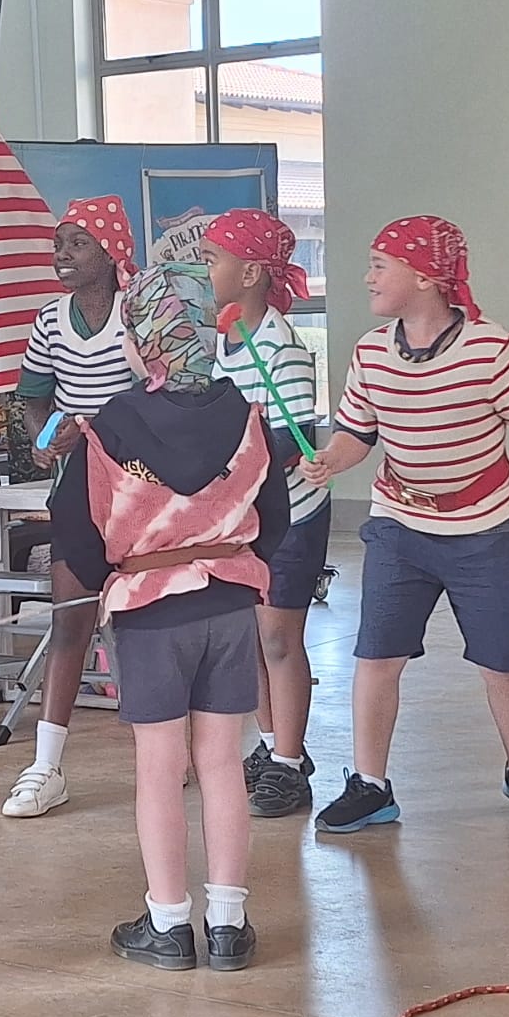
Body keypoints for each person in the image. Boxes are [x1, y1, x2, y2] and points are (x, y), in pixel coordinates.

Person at [54, 263, 289, 970]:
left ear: (143, 338)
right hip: (230, 603)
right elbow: (275, 517)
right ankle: (228, 924)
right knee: (221, 762)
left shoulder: (113, 424)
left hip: (151, 609)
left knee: (159, 767)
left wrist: (112, 575)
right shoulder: (246, 416)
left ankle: (167, 923)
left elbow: (76, 526)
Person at [302, 216, 509, 829]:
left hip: (484, 529)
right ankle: (370, 783)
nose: (367, 277)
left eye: (379, 266)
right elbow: (358, 433)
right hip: (398, 525)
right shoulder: (371, 351)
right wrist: (331, 459)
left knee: (502, 659)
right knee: (376, 656)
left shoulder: (492, 348)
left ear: (425, 277)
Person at [3, 197, 136, 818]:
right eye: (59, 244)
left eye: (77, 244)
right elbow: (34, 396)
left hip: (139, 486)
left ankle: (169, 750)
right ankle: (45, 766)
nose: (61, 255)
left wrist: (99, 434)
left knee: (143, 623)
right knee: (70, 618)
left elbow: (162, 394)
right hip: (76, 487)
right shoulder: (50, 321)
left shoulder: (140, 313)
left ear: (111, 254)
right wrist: (44, 439)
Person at [201, 208, 329, 818]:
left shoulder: (283, 349)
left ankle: (289, 764)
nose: (203, 271)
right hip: (244, 519)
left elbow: (288, 441)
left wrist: (223, 471)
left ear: (250, 273)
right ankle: (275, 743)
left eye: (211, 260)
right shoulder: (224, 339)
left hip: (289, 518)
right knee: (250, 637)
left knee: (279, 639)